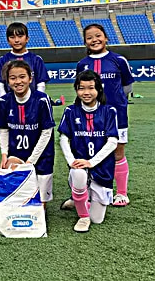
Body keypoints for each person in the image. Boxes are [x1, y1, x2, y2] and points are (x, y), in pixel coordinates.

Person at [75, 24, 135, 207]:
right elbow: (81, 89)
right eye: (90, 37)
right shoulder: (82, 64)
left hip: (117, 115)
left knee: (117, 153)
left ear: (106, 37)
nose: (94, 40)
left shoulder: (119, 60)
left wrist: (116, 103)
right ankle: (92, 192)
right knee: (91, 152)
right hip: (90, 117)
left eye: (98, 35)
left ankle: (122, 193)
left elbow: (127, 87)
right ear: (85, 41)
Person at [58, 70, 119, 233]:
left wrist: (91, 162)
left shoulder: (109, 111)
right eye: (81, 88)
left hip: (101, 168)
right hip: (80, 166)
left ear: (98, 89)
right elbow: (64, 138)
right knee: (78, 174)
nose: (86, 92)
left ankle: (80, 198)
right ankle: (82, 215)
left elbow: (113, 141)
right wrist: (72, 162)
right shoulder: (71, 111)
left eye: (91, 88)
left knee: (97, 220)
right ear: (76, 90)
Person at [0, 60, 55, 206]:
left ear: (30, 78)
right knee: (14, 182)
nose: (18, 81)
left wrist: (31, 162)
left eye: (22, 77)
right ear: (7, 81)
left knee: (40, 205)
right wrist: (4, 154)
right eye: (13, 78)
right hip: (17, 153)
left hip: (41, 155)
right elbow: (4, 129)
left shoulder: (42, 99)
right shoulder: (4, 101)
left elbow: (47, 133)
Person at [0, 23, 50, 98]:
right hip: (10, 103)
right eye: (12, 37)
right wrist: (5, 102)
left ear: (27, 38)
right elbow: (0, 85)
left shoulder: (36, 60)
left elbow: (41, 84)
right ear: (8, 40)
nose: (16, 40)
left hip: (32, 103)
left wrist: (36, 101)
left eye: (20, 36)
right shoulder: (2, 60)